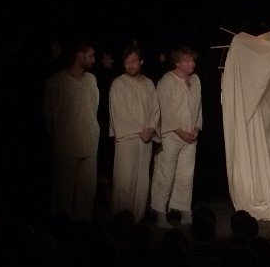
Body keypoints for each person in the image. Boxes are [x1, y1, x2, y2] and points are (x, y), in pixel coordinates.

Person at [42, 41, 99, 221]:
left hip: (89, 146)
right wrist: (58, 139)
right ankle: (61, 229)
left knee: (86, 194)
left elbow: (94, 109)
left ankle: (82, 228)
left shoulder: (91, 80)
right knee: (63, 194)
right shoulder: (57, 81)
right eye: (90, 56)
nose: (94, 60)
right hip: (66, 147)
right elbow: (49, 115)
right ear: (79, 55)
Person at [150, 46, 202, 227]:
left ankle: (183, 209)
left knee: (186, 175)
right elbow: (166, 111)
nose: (191, 64)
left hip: (190, 137)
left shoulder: (195, 80)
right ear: (177, 62)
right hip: (171, 136)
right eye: (187, 61)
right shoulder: (166, 81)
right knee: (165, 174)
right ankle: (159, 211)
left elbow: (198, 107)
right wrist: (180, 132)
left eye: (192, 60)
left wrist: (196, 128)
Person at [108, 44, 160, 223]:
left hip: (145, 140)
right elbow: (119, 113)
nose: (130, 65)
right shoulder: (118, 84)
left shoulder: (148, 83)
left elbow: (156, 109)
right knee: (125, 181)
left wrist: (151, 128)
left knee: (142, 181)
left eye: (134, 61)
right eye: (127, 62)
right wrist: (141, 130)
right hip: (127, 139)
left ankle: (137, 220)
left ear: (141, 62)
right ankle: (122, 221)